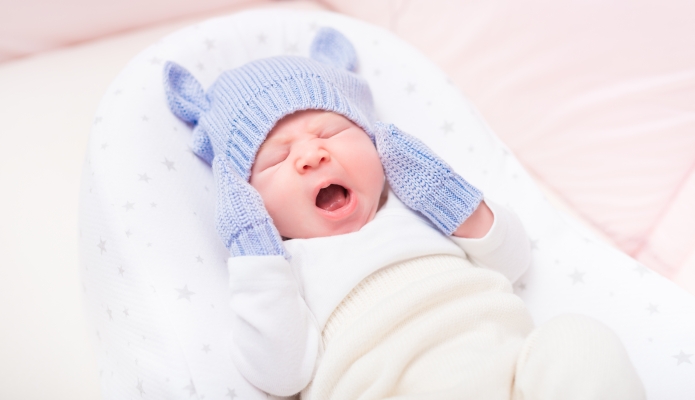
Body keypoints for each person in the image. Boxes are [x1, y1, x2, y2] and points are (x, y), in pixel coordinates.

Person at [164, 27, 645, 400]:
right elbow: (278, 372)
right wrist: (255, 252)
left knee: (580, 339)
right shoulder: (285, 270)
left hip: (514, 374)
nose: (311, 155)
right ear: (244, 199)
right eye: (276, 158)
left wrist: (447, 196)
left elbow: (513, 258)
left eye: (330, 131)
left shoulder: (415, 206)